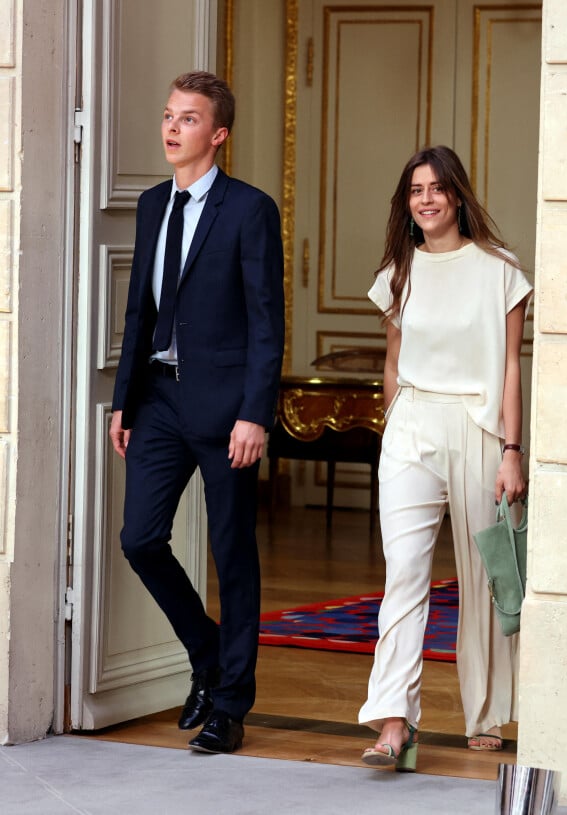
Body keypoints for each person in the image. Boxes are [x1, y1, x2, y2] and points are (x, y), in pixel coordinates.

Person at [109, 71, 285, 755]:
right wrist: (124, 399)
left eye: (188, 118)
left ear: (217, 134)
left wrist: (255, 415)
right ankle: (207, 652)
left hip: (226, 409)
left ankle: (231, 702)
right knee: (140, 538)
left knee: (231, 552)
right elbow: (139, 312)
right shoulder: (153, 204)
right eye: (167, 115)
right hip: (158, 398)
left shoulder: (249, 209)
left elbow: (267, 322)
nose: (171, 127)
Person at [358, 145, 532, 771]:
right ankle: (393, 723)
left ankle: (484, 711)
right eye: (414, 191)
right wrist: (390, 425)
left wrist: (513, 450)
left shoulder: (500, 270)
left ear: (457, 196)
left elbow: (511, 365)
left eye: (436, 188)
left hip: (479, 426)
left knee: (481, 575)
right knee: (403, 570)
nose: (425, 199)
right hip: (411, 426)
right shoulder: (398, 271)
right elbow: (392, 362)